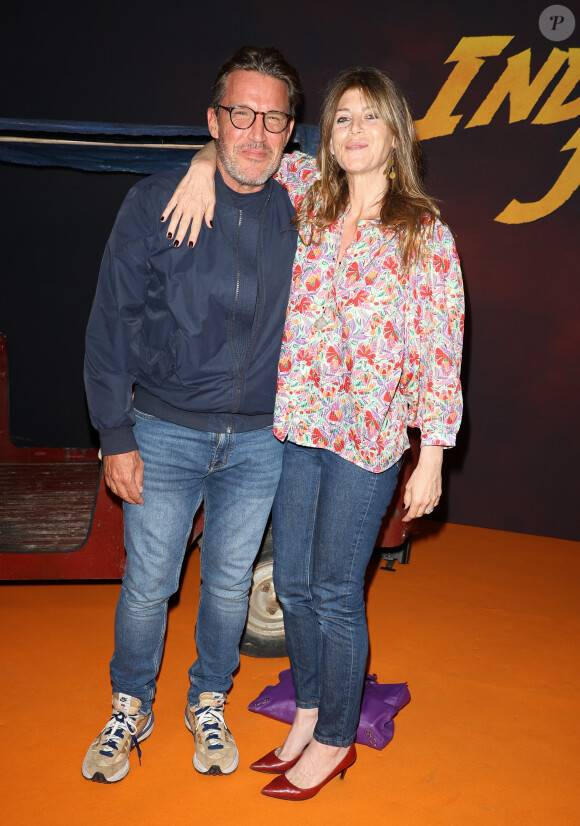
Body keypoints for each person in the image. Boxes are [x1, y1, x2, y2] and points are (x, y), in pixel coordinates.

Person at [163, 66, 464, 800]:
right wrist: (203, 166)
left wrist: (432, 456)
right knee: (293, 585)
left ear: (396, 132)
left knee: (333, 591)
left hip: (368, 439)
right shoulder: (311, 196)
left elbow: (440, 349)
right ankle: (308, 712)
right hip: (299, 426)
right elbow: (244, 147)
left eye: (369, 118)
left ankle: (335, 738)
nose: (353, 132)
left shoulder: (423, 232)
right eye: (340, 120)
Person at [81, 45, 301, 784]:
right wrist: (115, 433)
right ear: (213, 119)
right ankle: (129, 704)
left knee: (231, 585)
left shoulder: (306, 207)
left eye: (273, 118)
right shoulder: (154, 202)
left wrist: (206, 163)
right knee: (149, 584)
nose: (256, 132)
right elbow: (111, 322)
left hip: (260, 441)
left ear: (291, 129)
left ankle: (208, 697)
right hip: (164, 430)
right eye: (240, 113)